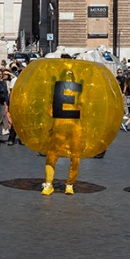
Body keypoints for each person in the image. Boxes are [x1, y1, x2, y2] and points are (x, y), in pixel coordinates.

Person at [42, 66, 85, 196]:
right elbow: (50, 111)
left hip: (73, 128)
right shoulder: (56, 93)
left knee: (75, 157)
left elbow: (83, 108)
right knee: (52, 155)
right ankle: (49, 183)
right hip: (60, 128)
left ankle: (70, 184)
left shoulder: (79, 93)